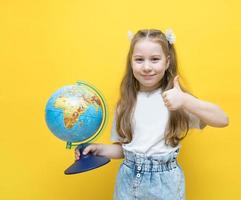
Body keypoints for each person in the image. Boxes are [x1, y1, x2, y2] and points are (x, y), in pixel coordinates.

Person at [75, 28, 229, 200]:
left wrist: (186, 100)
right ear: (131, 62)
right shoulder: (126, 103)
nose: (147, 67)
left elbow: (222, 119)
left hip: (166, 184)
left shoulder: (177, 99)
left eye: (155, 59)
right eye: (139, 60)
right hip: (128, 182)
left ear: (167, 61)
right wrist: (100, 149)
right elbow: (124, 150)